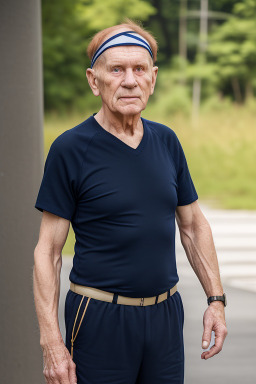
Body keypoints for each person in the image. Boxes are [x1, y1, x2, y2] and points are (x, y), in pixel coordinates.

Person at [33, 18, 228, 384]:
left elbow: (192, 225)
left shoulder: (167, 141)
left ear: (152, 78)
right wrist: (51, 342)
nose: (129, 80)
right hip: (99, 318)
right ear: (94, 80)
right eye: (116, 69)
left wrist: (215, 300)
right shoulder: (70, 149)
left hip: (165, 317)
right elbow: (48, 252)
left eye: (139, 69)